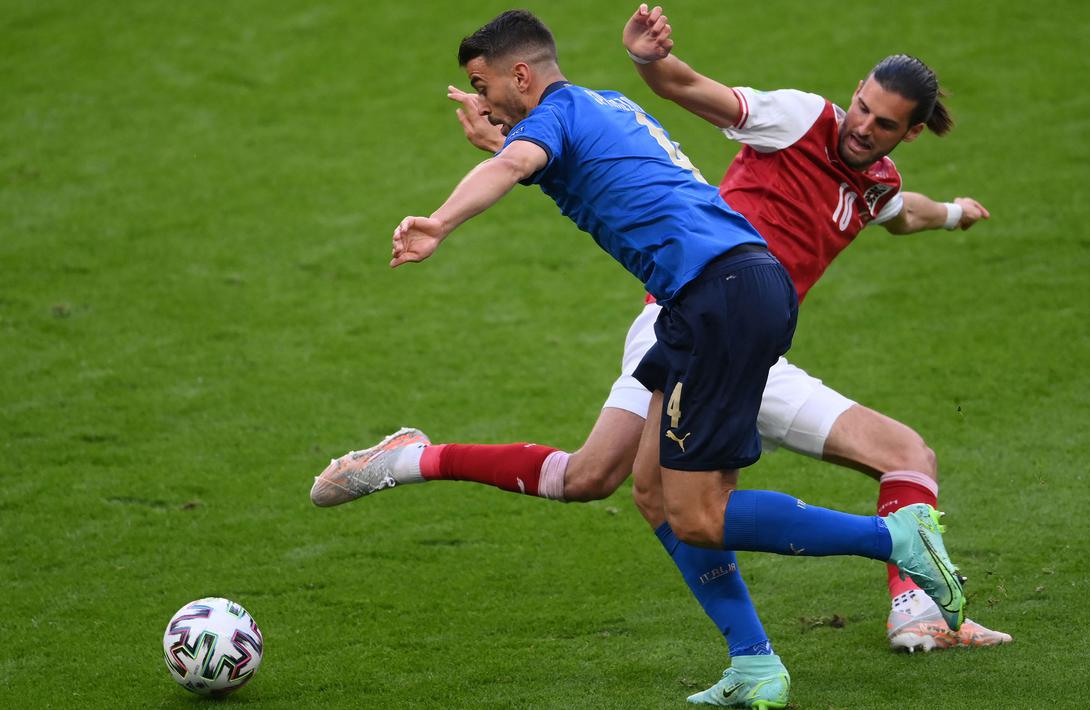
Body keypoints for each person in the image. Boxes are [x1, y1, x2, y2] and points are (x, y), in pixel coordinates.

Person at [311, 9, 968, 708]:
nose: (479, 99)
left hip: (717, 297)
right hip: (710, 300)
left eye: (482, 84)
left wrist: (439, 220)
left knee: (695, 514)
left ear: (521, 75)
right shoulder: (604, 106)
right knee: (646, 489)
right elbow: (552, 156)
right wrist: (957, 213)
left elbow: (517, 160)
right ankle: (753, 665)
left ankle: (891, 539)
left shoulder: (558, 122)